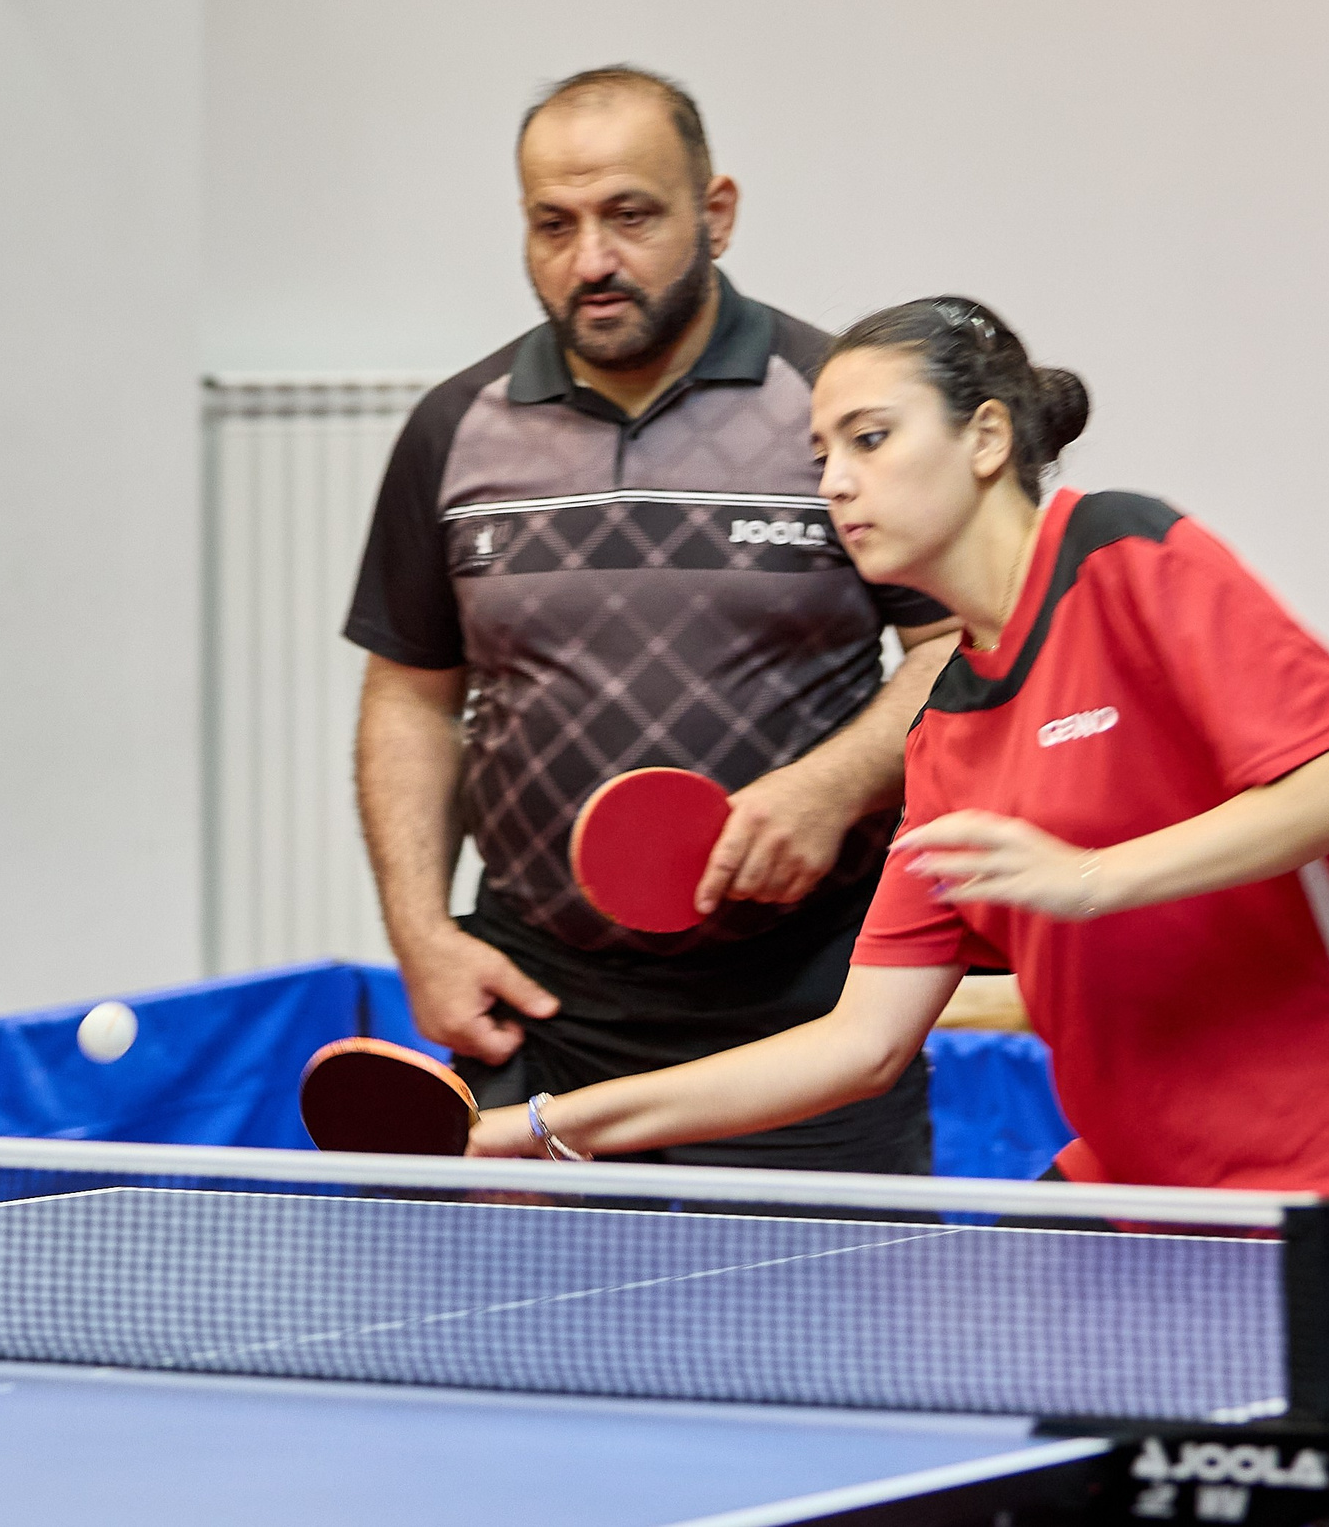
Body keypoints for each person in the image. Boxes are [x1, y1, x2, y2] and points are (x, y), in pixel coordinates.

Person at [465, 295, 1329, 1525]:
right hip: (1141, 1177)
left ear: (988, 437)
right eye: (820, 456)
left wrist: (1095, 874)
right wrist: (539, 1127)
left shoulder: (1124, 554)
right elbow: (857, 1042)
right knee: (1009, 1470)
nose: (836, 484)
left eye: (869, 437)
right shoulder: (946, 720)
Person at [346, 68, 961, 1174]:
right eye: (553, 223)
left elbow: (955, 642)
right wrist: (421, 930)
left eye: (629, 214)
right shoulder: (454, 428)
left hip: (810, 1005)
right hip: (537, 1001)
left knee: (825, 1343)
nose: (591, 260)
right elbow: (410, 694)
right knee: (511, 1347)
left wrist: (832, 784)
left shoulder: (833, 406)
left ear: (714, 214)